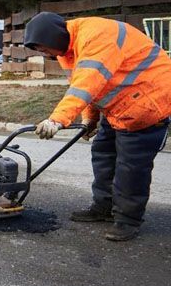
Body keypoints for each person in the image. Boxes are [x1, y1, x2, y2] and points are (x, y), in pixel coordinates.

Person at [25, 12, 171, 241]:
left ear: (55, 38)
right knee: (102, 151)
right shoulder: (69, 49)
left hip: (148, 103)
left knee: (130, 168)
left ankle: (127, 220)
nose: (46, 55)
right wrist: (89, 119)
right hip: (120, 105)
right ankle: (104, 206)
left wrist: (58, 119)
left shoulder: (97, 36)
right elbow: (87, 87)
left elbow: (89, 80)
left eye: (45, 49)